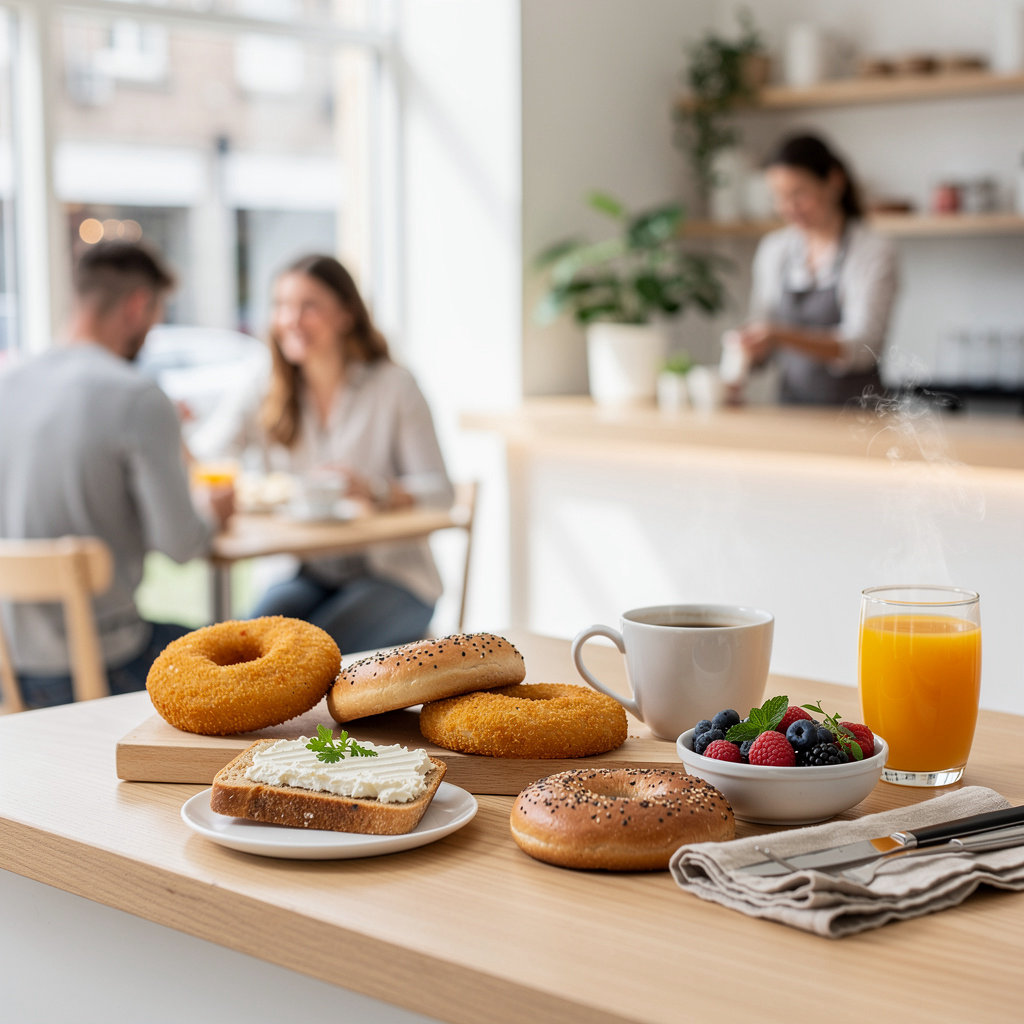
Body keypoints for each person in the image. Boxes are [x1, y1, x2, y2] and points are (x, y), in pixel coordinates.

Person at [0, 240, 233, 708]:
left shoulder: (8, 383)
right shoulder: (138, 396)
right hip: (104, 664)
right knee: (245, 664)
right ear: (137, 305)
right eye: (156, 318)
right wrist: (211, 511)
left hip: (11, 670)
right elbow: (180, 544)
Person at [212, 253, 454, 654]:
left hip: (394, 577)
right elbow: (211, 453)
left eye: (309, 306)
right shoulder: (266, 385)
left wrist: (376, 491)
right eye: (282, 306)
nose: (291, 319)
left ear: (346, 315)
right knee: (248, 645)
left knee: (305, 655)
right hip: (304, 572)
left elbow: (440, 492)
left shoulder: (393, 385)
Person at [736, 132, 899, 405]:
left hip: (859, 417)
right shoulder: (774, 250)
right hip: (791, 411)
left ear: (834, 181)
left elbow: (862, 347)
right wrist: (749, 352)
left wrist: (779, 335)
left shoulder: (872, 251)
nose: (789, 208)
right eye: (779, 196)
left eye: (799, 194)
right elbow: (762, 324)